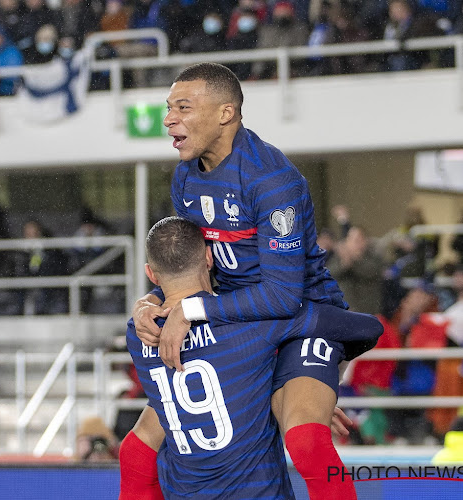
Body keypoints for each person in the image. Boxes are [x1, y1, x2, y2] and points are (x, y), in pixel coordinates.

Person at [131, 62, 378, 499]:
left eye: (183, 107)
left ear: (226, 113)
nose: (169, 119)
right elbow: (192, 263)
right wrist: (151, 302)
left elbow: (283, 296)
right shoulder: (185, 176)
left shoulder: (272, 179)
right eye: (169, 108)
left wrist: (189, 309)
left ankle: (298, 397)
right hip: (234, 321)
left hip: (298, 319)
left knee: (304, 440)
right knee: (137, 448)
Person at [123, 217, 382, 499]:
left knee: (138, 443)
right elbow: (367, 328)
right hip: (257, 493)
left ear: (151, 274)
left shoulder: (138, 334)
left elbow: (217, 378)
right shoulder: (249, 322)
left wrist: (146, 302)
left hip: (185, 491)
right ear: (210, 257)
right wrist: (302, 383)